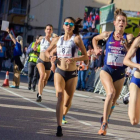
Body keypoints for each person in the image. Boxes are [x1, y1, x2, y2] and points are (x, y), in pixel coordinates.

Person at [92, 9, 134, 136]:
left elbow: (131, 55)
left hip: (120, 72)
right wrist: (96, 48)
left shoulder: (129, 37)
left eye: (124, 21)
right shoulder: (107, 34)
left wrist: (124, 44)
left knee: (114, 101)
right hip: (107, 70)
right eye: (119, 20)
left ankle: (105, 117)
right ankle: (104, 123)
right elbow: (94, 39)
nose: (121, 22)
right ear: (115, 23)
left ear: (125, 24)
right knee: (110, 93)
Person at [45, 17, 88, 137]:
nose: (68, 26)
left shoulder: (77, 39)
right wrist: (51, 57)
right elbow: (47, 51)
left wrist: (75, 59)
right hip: (59, 71)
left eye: (70, 24)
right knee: (60, 96)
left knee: (67, 101)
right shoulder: (57, 39)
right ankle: (59, 126)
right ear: (63, 26)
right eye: (66, 23)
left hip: (72, 73)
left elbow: (85, 56)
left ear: (73, 27)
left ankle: (63, 114)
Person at [123, 35, 140, 125]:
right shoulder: (138, 40)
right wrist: (138, 65)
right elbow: (126, 60)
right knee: (134, 121)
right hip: (138, 80)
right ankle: (132, 97)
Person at [36, 24, 54, 102]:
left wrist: (49, 41)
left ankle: (39, 91)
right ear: (45, 30)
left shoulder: (53, 39)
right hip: (41, 60)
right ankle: (39, 95)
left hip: (48, 62)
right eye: (47, 29)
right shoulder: (41, 38)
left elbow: (54, 47)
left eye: (50, 29)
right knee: (42, 75)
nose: (48, 31)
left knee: (45, 80)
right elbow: (36, 42)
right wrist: (35, 46)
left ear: (52, 31)